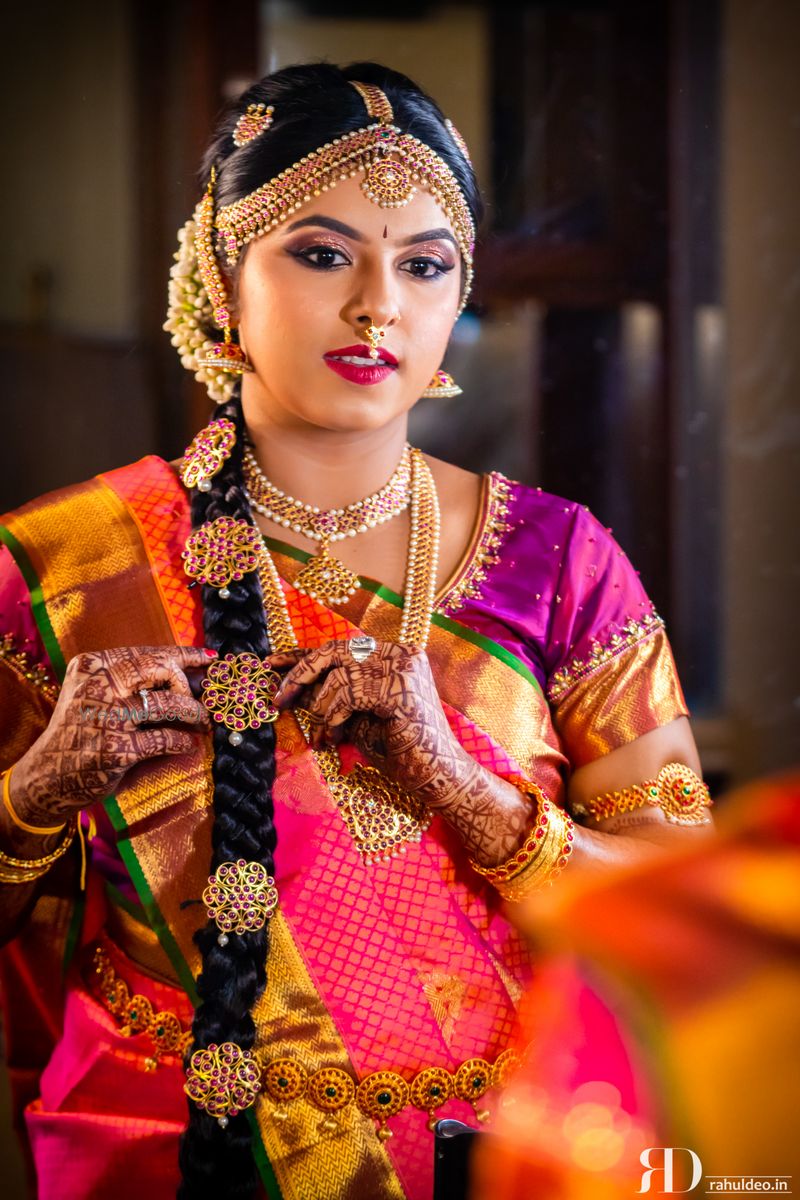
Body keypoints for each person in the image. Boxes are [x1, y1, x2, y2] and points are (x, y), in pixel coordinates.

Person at [0, 62, 714, 1200]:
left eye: (424, 266)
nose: (378, 303)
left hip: (512, 1160)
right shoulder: (62, 567)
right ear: (219, 281)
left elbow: (689, 930)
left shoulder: (560, 563)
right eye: (322, 253)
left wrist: (464, 790)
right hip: (163, 1158)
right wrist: (34, 793)